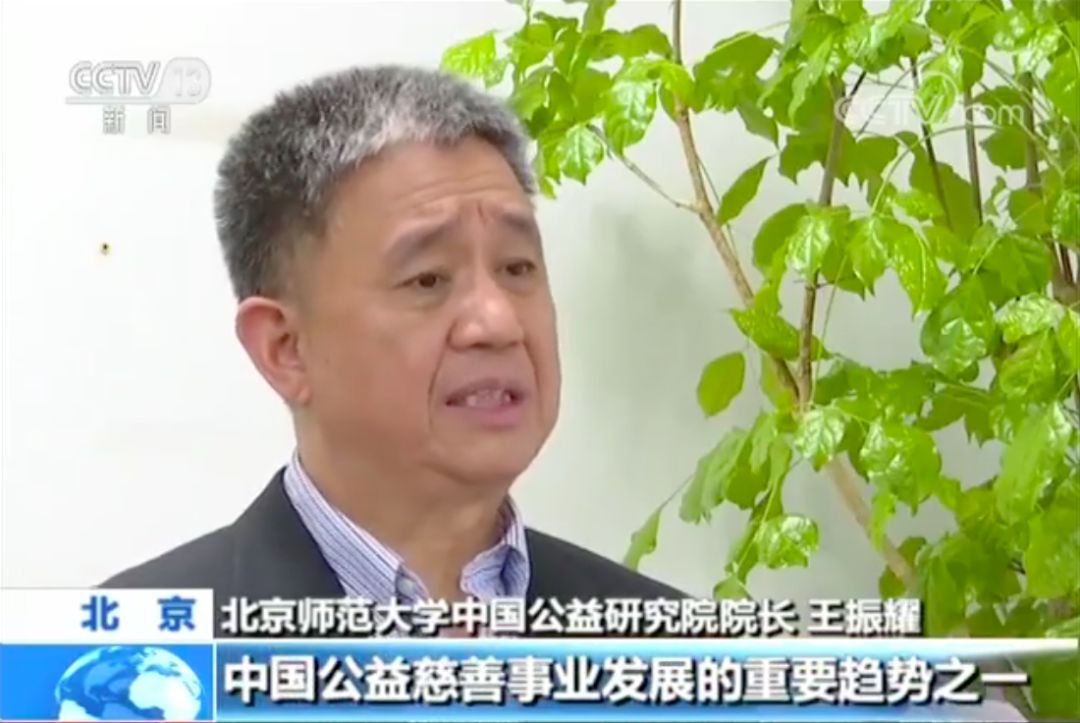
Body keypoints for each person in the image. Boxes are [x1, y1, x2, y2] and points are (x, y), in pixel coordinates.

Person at [103, 65, 681, 617]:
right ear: (286, 348)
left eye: (517, 267)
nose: (498, 322)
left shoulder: (675, 648)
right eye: (428, 279)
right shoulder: (129, 657)